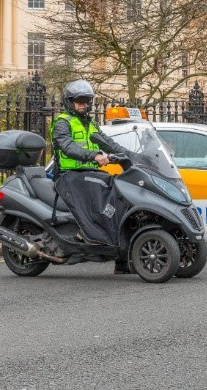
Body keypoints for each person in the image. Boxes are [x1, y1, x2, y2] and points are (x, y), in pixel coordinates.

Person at [51, 79, 131, 274]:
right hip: (69, 175)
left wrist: (130, 156)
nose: (83, 104)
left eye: (86, 101)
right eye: (79, 101)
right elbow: (67, 147)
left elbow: (108, 143)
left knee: (118, 190)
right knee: (100, 191)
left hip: (89, 173)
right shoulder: (62, 123)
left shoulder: (90, 124)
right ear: (69, 102)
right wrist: (93, 156)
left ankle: (120, 254)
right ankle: (85, 235)